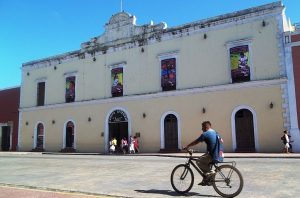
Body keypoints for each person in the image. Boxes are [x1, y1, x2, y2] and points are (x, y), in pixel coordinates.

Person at [183, 121, 223, 186]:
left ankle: (211, 172)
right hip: (219, 154)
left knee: (199, 161)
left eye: (202, 127)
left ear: (206, 127)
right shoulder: (216, 132)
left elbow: (196, 142)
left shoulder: (205, 134)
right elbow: (221, 141)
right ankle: (206, 180)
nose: (202, 129)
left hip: (212, 155)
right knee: (204, 160)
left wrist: (187, 146)